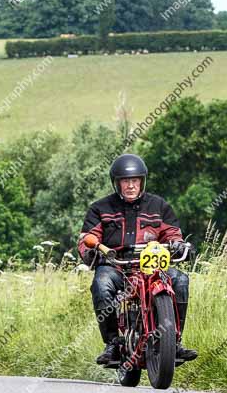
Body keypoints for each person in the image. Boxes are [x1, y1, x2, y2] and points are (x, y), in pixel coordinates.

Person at [77, 154, 198, 365]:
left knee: (180, 280)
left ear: (142, 181)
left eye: (135, 181)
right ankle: (113, 343)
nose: (131, 186)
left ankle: (174, 342)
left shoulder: (159, 206)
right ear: (117, 183)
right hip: (116, 265)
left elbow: (172, 234)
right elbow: (88, 238)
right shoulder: (100, 208)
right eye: (125, 181)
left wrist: (178, 244)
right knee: (101, 284)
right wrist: (93, 252)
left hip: (151, 265)